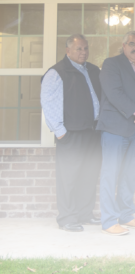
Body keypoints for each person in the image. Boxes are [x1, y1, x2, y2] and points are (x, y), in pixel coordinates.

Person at [40, 34, 102, 232]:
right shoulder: (57, 72)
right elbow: (49, 104)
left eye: (85, 48)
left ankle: (84, 214)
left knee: (89, 175)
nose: (83, 52)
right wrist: (61, 133)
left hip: (92, 132)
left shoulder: (93, 70)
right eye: (78, 49)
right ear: (68, 50)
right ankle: (67, 218)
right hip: (71, 135)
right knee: (68, 178)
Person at [96, 31, 135, 236]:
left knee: (129, 174)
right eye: (132, 44)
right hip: (115, 129)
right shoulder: (111, 64)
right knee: (110, 174)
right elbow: (114, 93)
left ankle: (126, 215)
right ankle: (109, 220)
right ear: (124, 45)